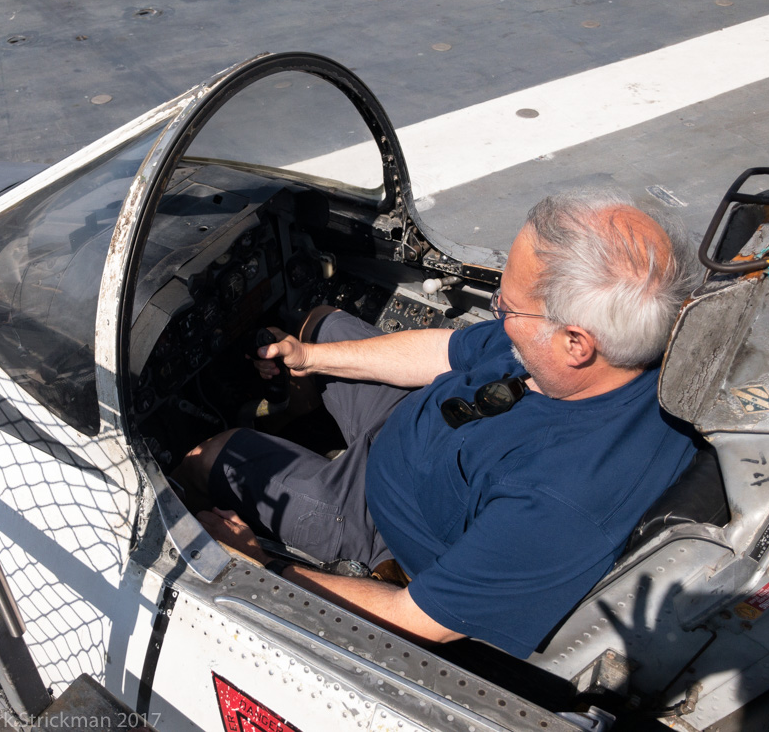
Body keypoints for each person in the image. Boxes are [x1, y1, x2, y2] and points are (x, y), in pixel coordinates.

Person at [174, 190, 698, 657]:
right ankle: (301, 405)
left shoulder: (561, 504)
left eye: (507, 307)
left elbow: (418, 620)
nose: (498, 314)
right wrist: (308, 357)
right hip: (422, 427)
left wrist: (253, 567)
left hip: (377, 519)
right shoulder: (585, 356)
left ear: (576, 344)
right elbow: (447, 353)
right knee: (319, 324)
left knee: (210, 457)